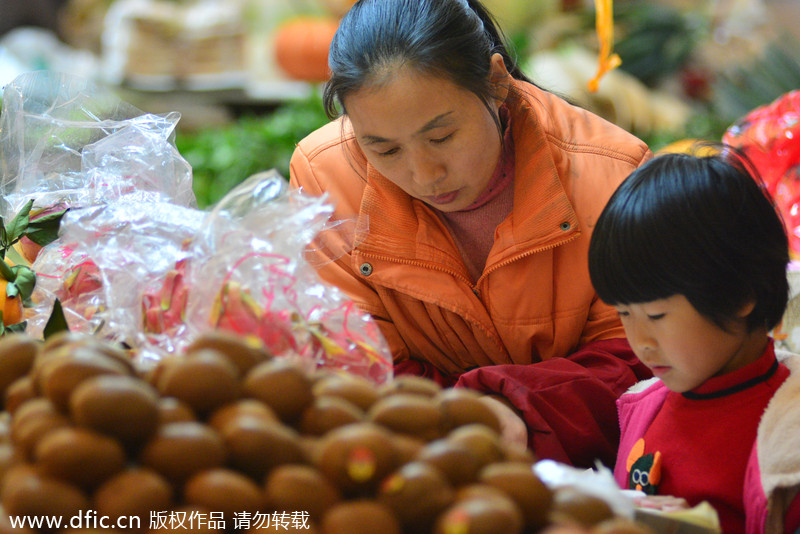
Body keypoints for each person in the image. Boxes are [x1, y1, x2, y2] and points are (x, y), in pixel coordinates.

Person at [289, 0, 653, 467]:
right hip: (416, 466)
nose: (425, 174)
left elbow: (638, 359)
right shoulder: (324, 180)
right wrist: (465, 419)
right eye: (384, 149)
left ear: (496, 80)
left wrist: (515, 408)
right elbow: (359, 366)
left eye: (441, 137)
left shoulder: (612, 173)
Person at [587, 148, 800, 534]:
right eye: (623, 314)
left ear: (739, 295)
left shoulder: (789, 440)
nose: (640, 341)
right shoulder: (643, 407)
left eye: (656, 316)